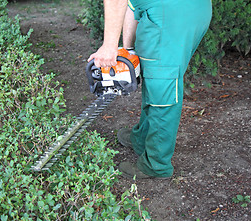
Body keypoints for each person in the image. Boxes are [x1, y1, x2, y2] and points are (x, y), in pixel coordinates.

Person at [88, 0, 212, 179]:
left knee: (163, 86)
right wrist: (128, 49)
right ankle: (142, 139)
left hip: (170, 17)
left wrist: (109, 46)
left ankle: (156, 165)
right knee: (156, 77)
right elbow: (132, 4)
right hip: (183, 11)